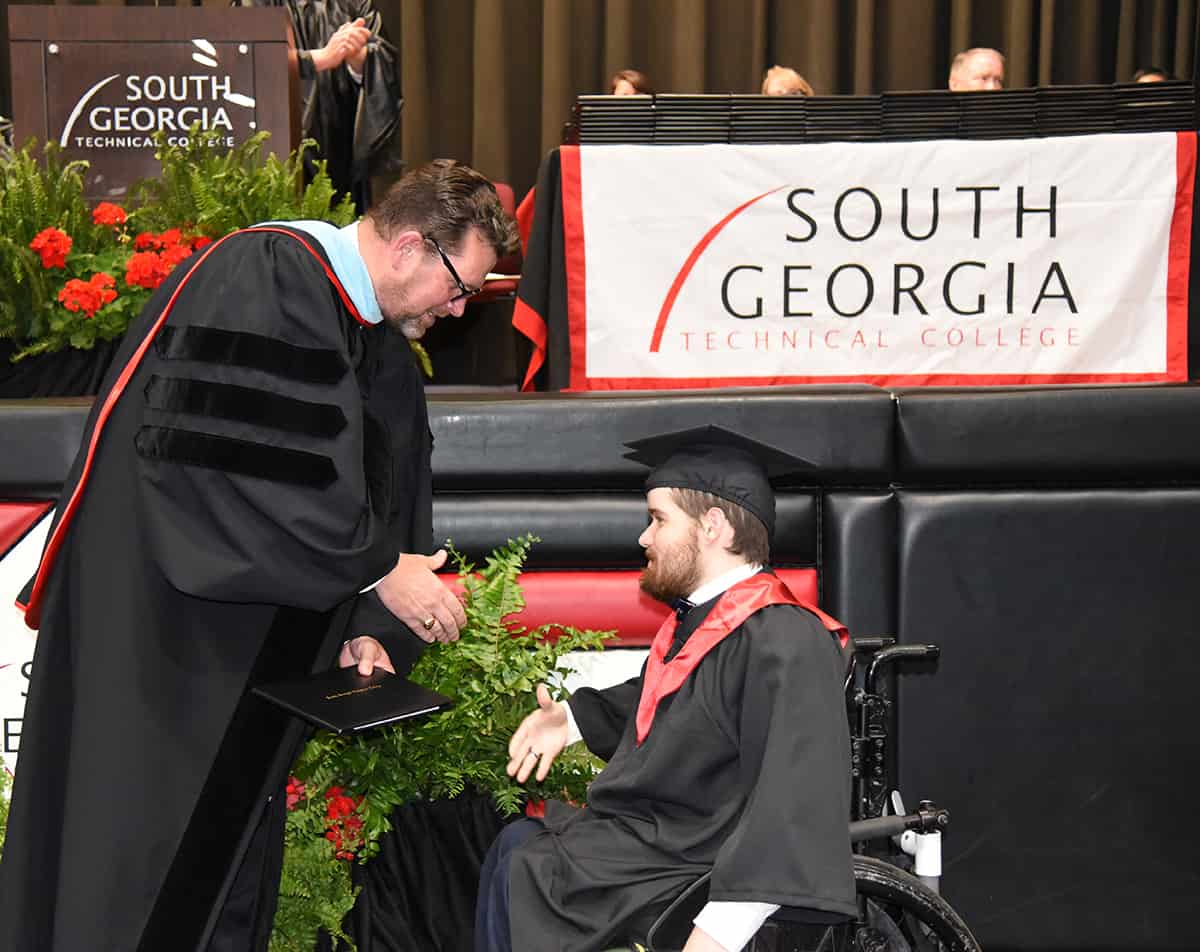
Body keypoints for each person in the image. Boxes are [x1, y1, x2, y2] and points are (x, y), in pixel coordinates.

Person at [0, 159, 516, 952]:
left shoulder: (372, 342)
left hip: (250, 668)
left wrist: (368, 623)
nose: (459, 308)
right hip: (168, 647)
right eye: (459, 285)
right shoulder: (267, 276)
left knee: (227, 882)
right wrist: (376, 568)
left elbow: (372, 502)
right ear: (411, 244)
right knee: (135, 872)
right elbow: (238, 476)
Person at [476, 427, 856, 952]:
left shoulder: (785, 636)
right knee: (507, 840)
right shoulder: (709, 621)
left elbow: (795, 800)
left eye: (658, 520)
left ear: (714, 526)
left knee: (527, 868)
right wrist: (569, 720)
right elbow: (680, 703)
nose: (643, 538)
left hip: (703, 865)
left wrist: (720, 932)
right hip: (666, 844)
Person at [239, 0, 403, 211]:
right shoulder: (254, 3)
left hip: (338, 149)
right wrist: (321, 58)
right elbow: (245, 60)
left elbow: (383, 61)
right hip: (275, 149)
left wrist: (358, 58)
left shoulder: (354, 4)